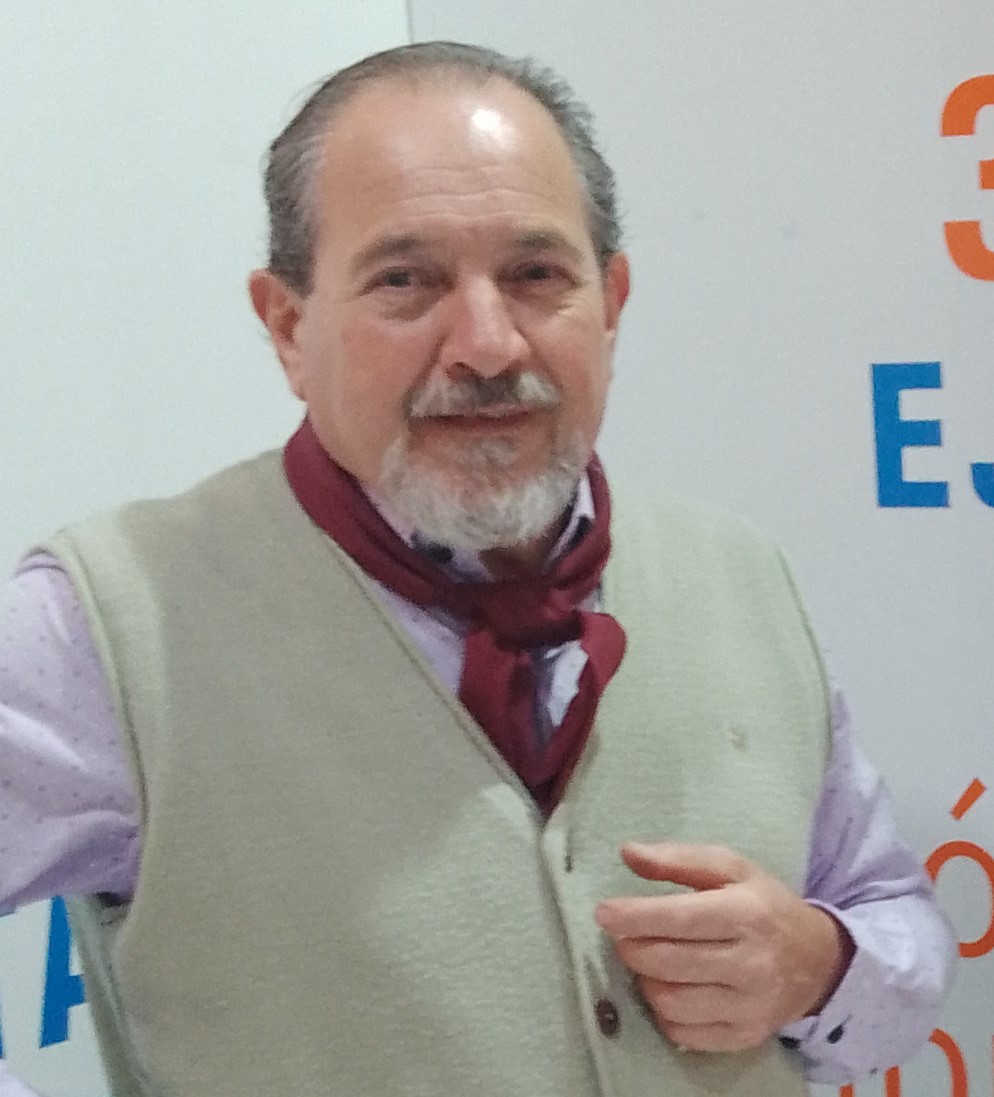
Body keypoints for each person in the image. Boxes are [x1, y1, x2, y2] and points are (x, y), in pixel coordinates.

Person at [0, 41, 954, 1097]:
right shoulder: (103, 626)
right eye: (405, 281)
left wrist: (821, 965)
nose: (488, 345)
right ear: (288, 326)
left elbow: (893, 921)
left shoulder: (742, 575)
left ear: (611, 302)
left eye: (536, 275)